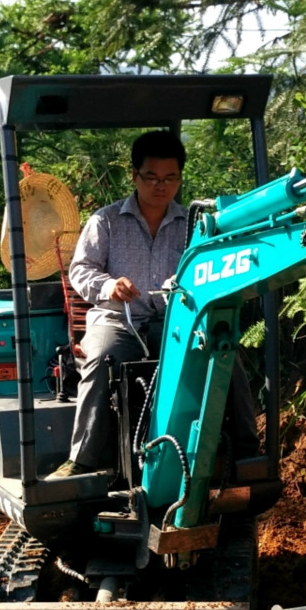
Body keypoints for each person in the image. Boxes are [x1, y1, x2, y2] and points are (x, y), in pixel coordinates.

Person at [54, 130, 259, 478]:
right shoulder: (106, 221)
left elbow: (210, 272)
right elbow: (81, 270)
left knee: (224, 351)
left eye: (170, 178)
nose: (161, 186)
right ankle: (83, 459)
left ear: (180, 178)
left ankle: (248, 452)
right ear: (135, 176)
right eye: (151, 177)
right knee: (101, 358)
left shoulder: (195, 227)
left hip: (174, 321)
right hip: (118, 321)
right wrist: (109, 285)